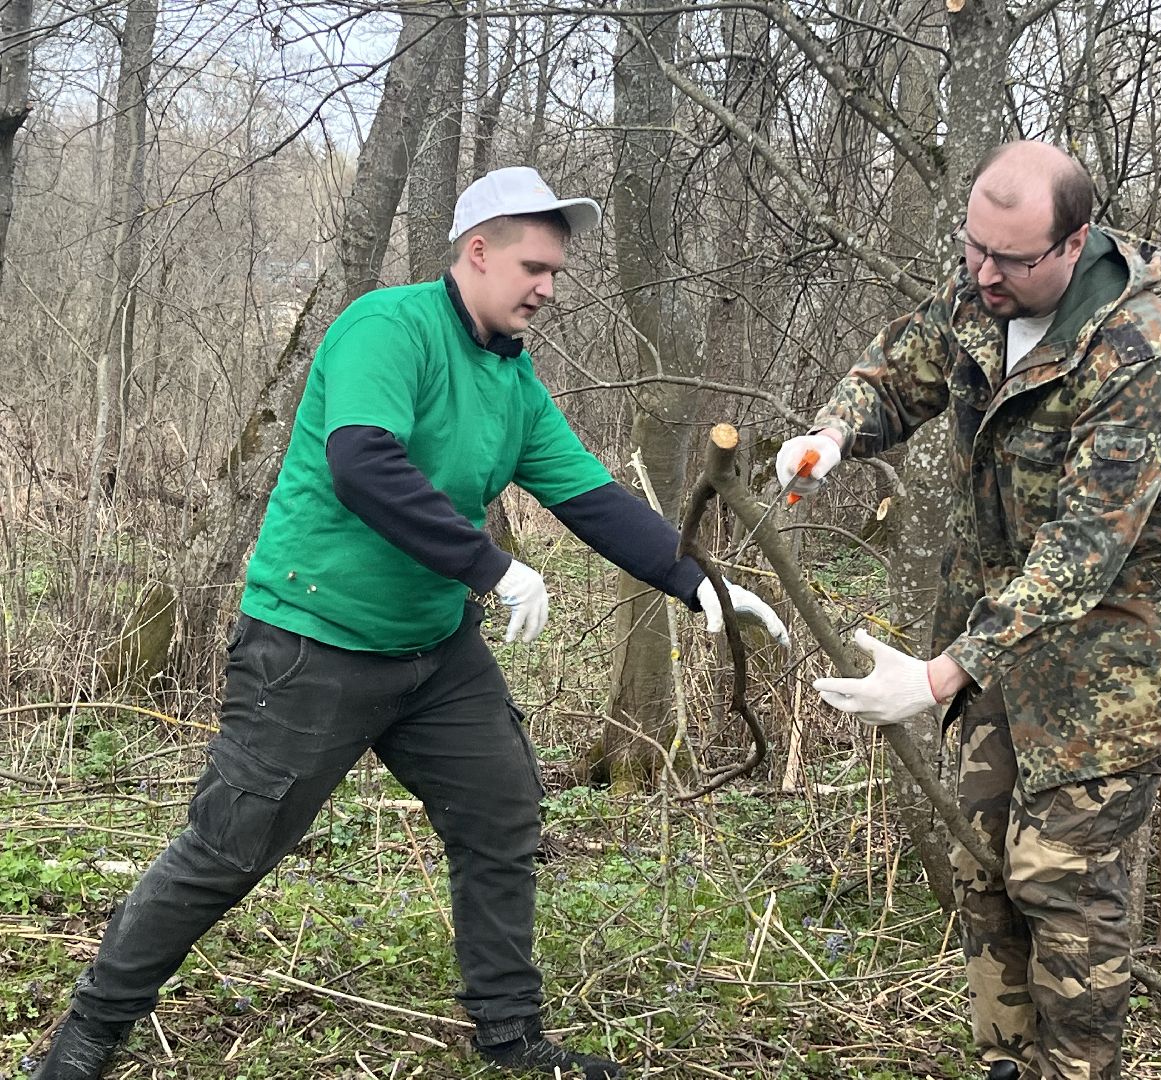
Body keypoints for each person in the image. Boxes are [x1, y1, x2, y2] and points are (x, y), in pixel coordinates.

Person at [36, 166, 788, 1080]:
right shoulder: (386, 330)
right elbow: (362, 463)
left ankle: (512, 1041)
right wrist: (491, 566)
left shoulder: (511, 378)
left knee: (501, 814)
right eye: (534, 267)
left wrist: (694, 580)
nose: (548, 288)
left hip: (435, 655)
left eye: (556, 271)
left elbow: (588, 493)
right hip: (311, 645)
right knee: (227, 850)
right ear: (477, 252)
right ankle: (87, 1036)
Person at [775, 141, 1161, 1079]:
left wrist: (940, 671)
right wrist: (828, 436)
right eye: (972, 248)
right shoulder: (979, 296)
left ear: (1073, 244)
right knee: (985, 861)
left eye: (1010, 259)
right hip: (1008, 632)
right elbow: (895, 372)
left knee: (1057, 877)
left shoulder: (1138, 350)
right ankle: (1005, 1061)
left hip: (1124, 649)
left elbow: (1085, 549)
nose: (984, 273)